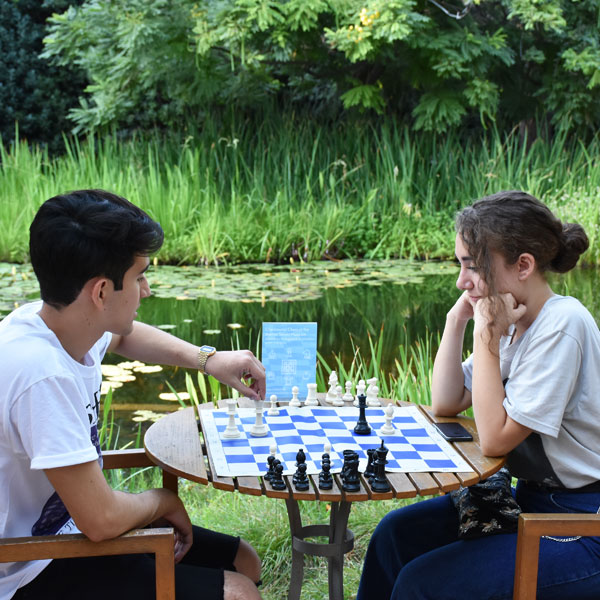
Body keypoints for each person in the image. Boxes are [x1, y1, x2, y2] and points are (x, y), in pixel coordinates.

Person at [0, 190, 267, 600]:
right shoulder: (40, 374)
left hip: (74, 534)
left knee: (244, 561)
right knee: (238, 593)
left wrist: (209, 359)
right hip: (31, 567)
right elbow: (102, 519)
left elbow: (123, 335)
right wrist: (160, 500)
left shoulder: (61, 321)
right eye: (140, 276)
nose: (146, 290)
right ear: (102, 291)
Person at [357, 190, 600, 599]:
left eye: (473, 266)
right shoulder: (512, 320)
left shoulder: (562, 325)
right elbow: (447, 401)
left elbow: (494, 438)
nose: (460, 280)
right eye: (460, 265)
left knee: (422, 585)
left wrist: (486, 334)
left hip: (581, 526)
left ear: (523, 265)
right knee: (394, 536)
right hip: (531, 506)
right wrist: (457, 321)